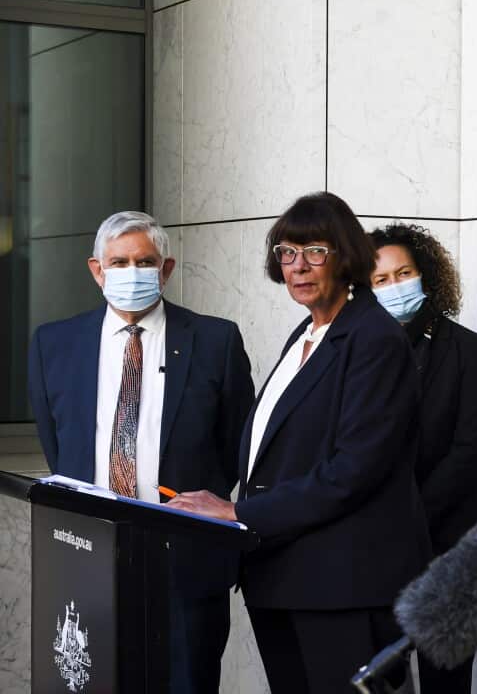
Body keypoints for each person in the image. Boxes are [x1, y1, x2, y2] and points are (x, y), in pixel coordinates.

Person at [167, 192, 430, 693]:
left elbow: (353, 471)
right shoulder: (307, 333)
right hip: (285, 575)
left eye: (315, 251)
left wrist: (237, 511)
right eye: (287, 252)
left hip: (343, 584)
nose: (298, 266)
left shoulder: (374, 337)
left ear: (346, 257)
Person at [27, 210, 255, 694]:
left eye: (145, 261)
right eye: (119, 262)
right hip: (87, 554)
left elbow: (237, 443)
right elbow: (59, 444)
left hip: (185, 559)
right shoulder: (54, 343)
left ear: (165, 269)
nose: (132, 272)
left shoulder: (215, 340)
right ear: (97, 270)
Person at [369, 222, 477, 693]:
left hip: (450, 541)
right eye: (381, 279)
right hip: (374, 547)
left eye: (404, 273)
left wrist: (408, 516)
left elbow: (469, 452)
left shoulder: (468, 349)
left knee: (448, 680)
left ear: (425, 274)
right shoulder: (357, 350)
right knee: (381, 676)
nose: (394, 286)